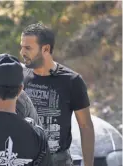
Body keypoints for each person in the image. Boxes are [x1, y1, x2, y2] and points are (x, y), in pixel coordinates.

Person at [20, 23, 94, 166]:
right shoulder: (20, 77)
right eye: (22, 47)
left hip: (58, 161)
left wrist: (88, 164)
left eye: (28, 48)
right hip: (24, 159)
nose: (22, 52)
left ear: (46, 49)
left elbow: (86, 126)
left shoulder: (72, 81)